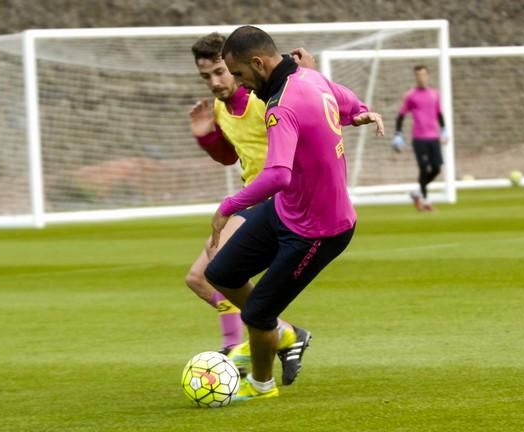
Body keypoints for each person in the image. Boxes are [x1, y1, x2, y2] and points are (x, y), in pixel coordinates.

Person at [204, 25, 384, 401]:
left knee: (255, 315)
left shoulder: (280, 105)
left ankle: (261, 385)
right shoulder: (311, 76)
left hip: (320, 230)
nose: (240, 84)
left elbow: (278, 174)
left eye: (239, 74)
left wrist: (227, 206)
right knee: (220, 272)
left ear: (258, 62)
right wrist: (361, 113)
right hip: (286, 212)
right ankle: (284, 332)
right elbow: (347, 102)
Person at [185, 32, 316, 384]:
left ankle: (244, 344)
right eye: (206, 77)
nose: (215, 82)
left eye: (220, 73)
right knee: (198, 279)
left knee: (212, 271)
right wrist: (206, 137)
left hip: (280, 199)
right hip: (252, 200)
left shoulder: (264, 98)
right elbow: (230, 156)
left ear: (234, 67)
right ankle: (286, 334)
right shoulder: (219, 108)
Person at [392, 65, 449, 212]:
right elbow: (401, 115)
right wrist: (398, 134)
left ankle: (417, 192)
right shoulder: (411, 95)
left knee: (437, 168)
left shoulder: (435, 94)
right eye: (418, 75)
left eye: (423, 75)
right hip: (419, 138)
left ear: (428, 76)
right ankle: (425, 201)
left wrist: (444, 130)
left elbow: (439, 113)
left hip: (434, 137)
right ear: (415, 77)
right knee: (423, 168)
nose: (421, 77)